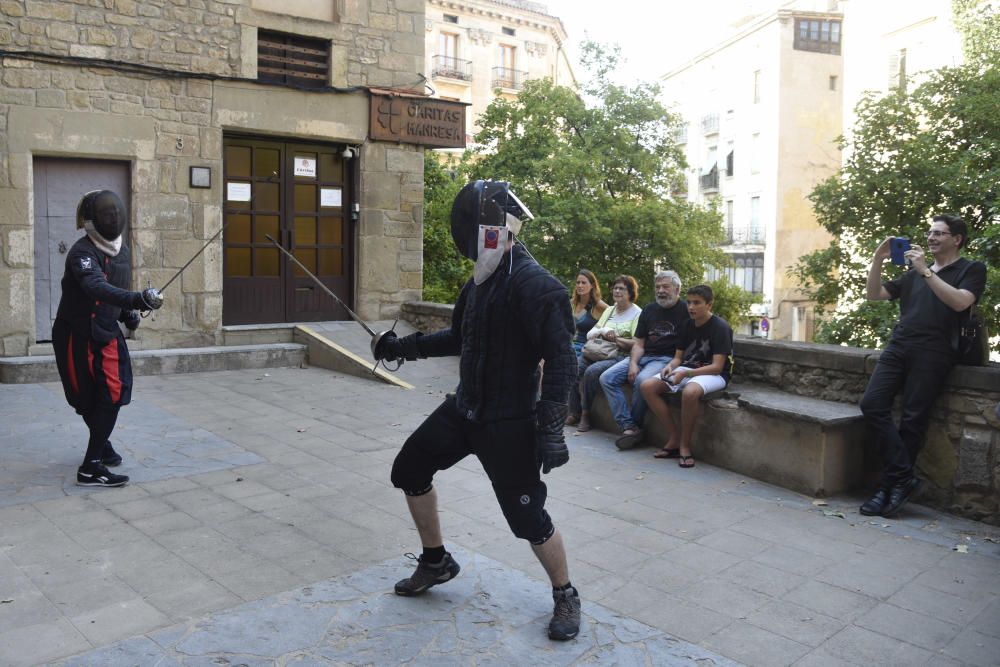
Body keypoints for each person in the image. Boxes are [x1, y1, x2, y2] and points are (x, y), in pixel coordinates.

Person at [374, 180, 581, 641]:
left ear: (485, 227)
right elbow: (458, 336)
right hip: (464, 409)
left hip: (509, 423)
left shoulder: (538, 287)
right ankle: (436, 561)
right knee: (409, 468)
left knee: (528, 520)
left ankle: (565, 593)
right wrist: (400, 347)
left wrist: (551, 430)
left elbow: (564, 361)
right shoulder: (481, 280)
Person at [858, 214, 986, 517]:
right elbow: (874, 295)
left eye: (939, 233)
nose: (931, 237)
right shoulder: (914, 272)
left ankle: (889, 488)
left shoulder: (971, 269)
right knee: (872, 404)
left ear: (956, 239)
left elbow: (960, 302)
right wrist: (878, 258)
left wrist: (926, 272)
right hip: (899, 345)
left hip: (936, 351)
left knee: (913, 420)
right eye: (929, 232)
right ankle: (903, 477)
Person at [52, 190, 164, 488]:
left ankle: (96, 453)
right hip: (76, 333)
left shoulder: (122, 250)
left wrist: (128, 314)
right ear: (91, 220)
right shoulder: (81, 252)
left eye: (116, 213)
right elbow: (96, 286)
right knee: (87, 397)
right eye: (106, 213)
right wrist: (137, 299)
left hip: (103, 331)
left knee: (112, 393)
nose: (113, 217)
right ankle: (92, 465)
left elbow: (119, 283)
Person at [640, 284, 733, 468]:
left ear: (709, 305)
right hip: (687, 369)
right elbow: (678, 358)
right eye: (689, 302)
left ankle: (684, 446)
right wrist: (670, 367)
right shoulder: (686, 325)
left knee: (690, 392)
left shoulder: (720, 327)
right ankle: (673, 438)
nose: (691, 307)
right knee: (647, 386)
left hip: (712, 374)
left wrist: (685, 373)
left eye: (697, 303)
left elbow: (717, 367)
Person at [598, 270, 690, 450]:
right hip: (643, 355)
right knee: (606, 378)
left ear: (677, 289)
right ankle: (629, 426)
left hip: (666, 359)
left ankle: (634, 428)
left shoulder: (685, 311)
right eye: (658, 287)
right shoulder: (649, 310)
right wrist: (632, 363)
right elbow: (639, 344)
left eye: (666, 287)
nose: (661, 291)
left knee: (641, 381)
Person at [568, 275, 642, 432]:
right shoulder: (610, 310)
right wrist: (603, 331)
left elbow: (637, 343)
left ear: (630, 292)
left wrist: (616, 338)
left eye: (621, 288)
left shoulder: (637, 313)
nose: (617, 291)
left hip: (619, 355)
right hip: (598, 351)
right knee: (573, 368)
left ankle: (586, 414)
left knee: (591, 372)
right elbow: (594, 332)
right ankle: (574, 411)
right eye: (615, 288)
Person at [569, 269, 608, 360]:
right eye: (578, 283)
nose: (580, 285)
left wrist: (600, 330)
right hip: (568, 345)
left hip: (586, 348)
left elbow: (615, 314)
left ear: (592, 286)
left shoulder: (598, 305)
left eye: (583, 283)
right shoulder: (572, 303)